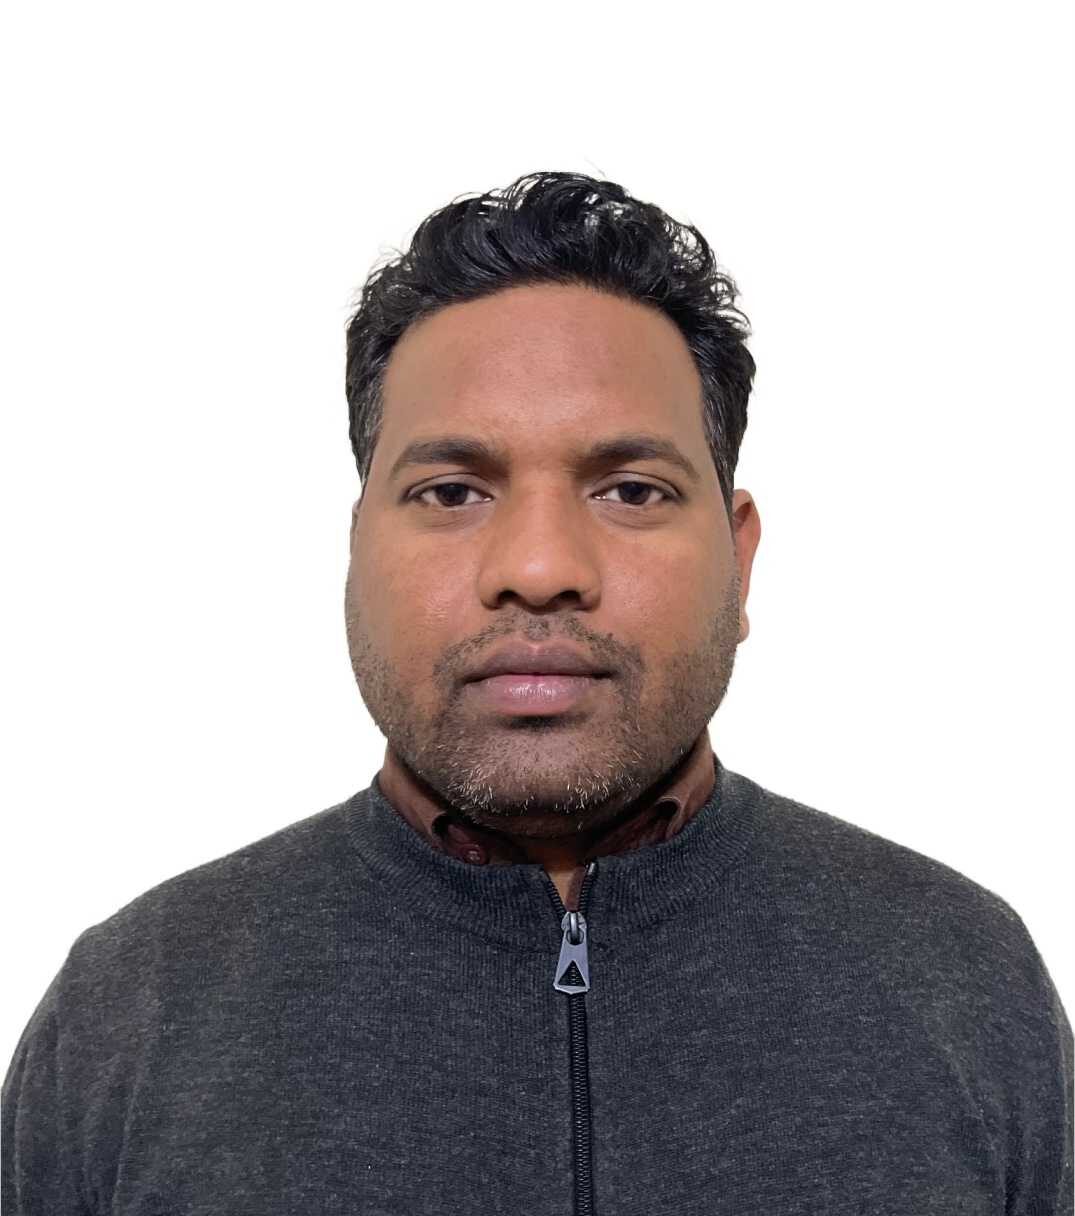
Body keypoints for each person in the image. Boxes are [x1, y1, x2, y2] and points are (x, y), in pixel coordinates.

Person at [3, 171, 1071, 1215]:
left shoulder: (964, 979)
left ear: (739, 560)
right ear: (357, 549)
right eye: (451, 491)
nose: (540, 565)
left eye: (631, 490)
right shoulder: (127, 1012)